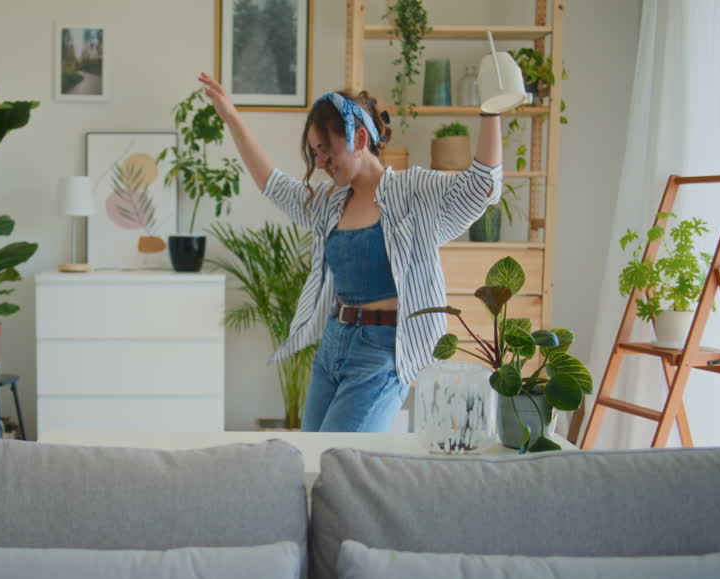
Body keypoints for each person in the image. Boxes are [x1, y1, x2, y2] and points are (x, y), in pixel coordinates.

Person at [197, 72, 505, 432]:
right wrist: (233, 119)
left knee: (338, 462)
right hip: (334, 344)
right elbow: (273, 184)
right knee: (310, 458)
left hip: (382, 353)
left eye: (326, 151)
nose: (321, 164)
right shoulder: (331, 202)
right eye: (316, 154)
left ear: (359, 138)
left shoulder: (413, 192)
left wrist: (491, 109)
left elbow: (482, 186)